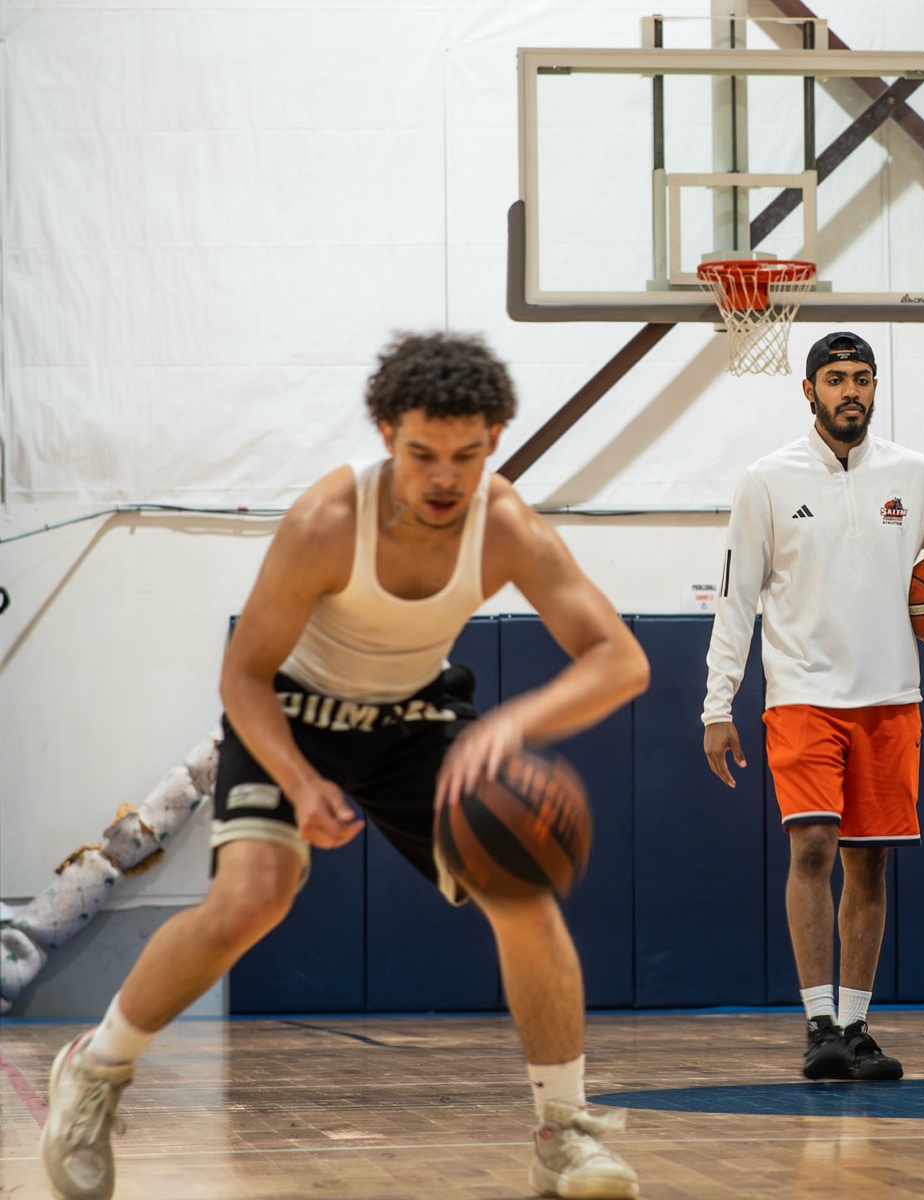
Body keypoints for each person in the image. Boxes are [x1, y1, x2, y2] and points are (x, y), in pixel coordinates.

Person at [38, 334, 652, 1200]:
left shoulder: (504, 525)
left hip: (414, 719)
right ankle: (94, 1073)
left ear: (497, 439)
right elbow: (242, 676)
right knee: (252, 897)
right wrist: (297, 779)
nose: (445, 478)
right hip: (292, 711)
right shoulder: (326, 522)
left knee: (522, 894)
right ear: (385, 434)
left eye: (467, 456)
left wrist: (509, 728)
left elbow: (619, 661)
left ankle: (564, 1130)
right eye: (423, 455)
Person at [702, 331, 924, 1081]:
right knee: (813, 847)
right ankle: (817, 1020)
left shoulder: (913, 475)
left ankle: (855, 1027)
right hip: (802, 696)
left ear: (875, 387)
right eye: (835, 379)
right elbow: (737, 599)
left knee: (871, 864)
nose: (849, 390)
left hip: (891, 697)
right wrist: (715, 704)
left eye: (861, 378)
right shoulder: (766, 480)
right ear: (809, 391)